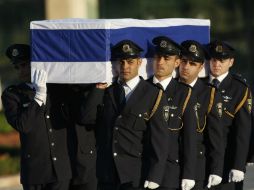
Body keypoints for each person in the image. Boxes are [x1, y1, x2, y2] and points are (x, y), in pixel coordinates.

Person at [79, 39, 169, 190]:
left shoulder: (153, 94)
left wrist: (155, 175)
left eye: (130, 62)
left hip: (135, 175)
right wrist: (98, 88)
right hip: (107, 174)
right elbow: (86, 118)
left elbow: (159, 140)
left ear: (139, 62)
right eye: (121, 62)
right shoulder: (107, 91)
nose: (125, 67)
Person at [1, 44, 72, 190]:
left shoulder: (57, 88)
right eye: (17, 67)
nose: (21, 71)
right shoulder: (12, 94)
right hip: (35, 173)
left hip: (60, 170)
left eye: (25, 65)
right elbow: (23, 125)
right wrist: (39, 97)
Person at [147, 36, 198, 190]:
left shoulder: (184, 93)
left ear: (177, 63)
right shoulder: (141, 89)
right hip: (141, 168)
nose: (160, 62)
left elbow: (190, 137)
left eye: (166, 58)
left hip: (170, 172)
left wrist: (189, 174)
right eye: (157, 57)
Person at [206, 40, 252, 190]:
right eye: (213, 59)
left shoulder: (239, 89)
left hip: (228, 161)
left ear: (231, 62)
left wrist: (239, 165)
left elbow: (243, 131)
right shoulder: (200, 85)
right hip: (202, 160)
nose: (217, 64)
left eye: (222, 60)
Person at [178, 40, 224, 190]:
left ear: (201, 67)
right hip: (169, 167)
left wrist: (216, 169)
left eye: (192, 64)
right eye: (184, 61)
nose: (186, 67)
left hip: (197, 169)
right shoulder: (168, 89)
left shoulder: (209, 93)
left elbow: (216, 136)